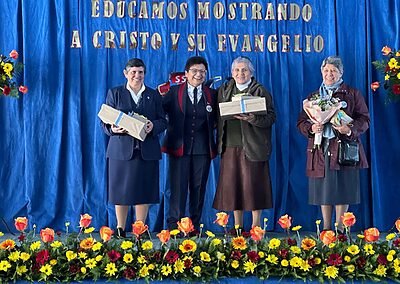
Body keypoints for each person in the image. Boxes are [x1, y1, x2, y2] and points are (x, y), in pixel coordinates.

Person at [297, 56, 370, 233]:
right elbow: (301, 123)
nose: (329, 74)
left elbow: (365, 119)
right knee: (324, 189)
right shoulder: (313, 97)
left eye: (333, 71)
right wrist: (312, 127)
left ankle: (341, 230)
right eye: (326, 70)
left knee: (342, 188)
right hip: (320, 146)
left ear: (341, 73)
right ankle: (327, 230)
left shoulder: (352, 93)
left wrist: (349, 129)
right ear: (321, 72)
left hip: (343, 146)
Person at [102, 58, 167, 238]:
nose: (137, 76)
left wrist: (152, 126)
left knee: (143, 190)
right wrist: (112, 129)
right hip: (121, 151)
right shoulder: (115, 93)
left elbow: (163, 121)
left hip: (146, 150)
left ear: (145, 74)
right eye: (133, 72)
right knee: (120, 191)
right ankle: (120, 228)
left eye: (140, 72)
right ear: (126, 73)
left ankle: (140, 229)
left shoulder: (153, 95)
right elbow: (104, 121)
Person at [213, 56, 276, 230]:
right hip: (229, 144)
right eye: (237, 70)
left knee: (255, 186)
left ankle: (256, 226)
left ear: (251, 72)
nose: (240, 73)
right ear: (232, 73)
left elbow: (271, 118)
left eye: (244, 70)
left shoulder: (260, 90)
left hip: (254, 146)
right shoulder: (224, 90)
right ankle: (238, 225)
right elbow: (216, 116)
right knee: (234, 187)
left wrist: (252, 118)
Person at [162, 56, 217, 231]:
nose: (198, 74)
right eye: (194, 71)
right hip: (179, 148)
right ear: (186, 73)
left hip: (202, 148)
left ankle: (192, 226)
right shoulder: (173, 92)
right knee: (177, 189)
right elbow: (159, 113)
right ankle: (174, 226)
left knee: (198, 189)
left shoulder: (212, 95)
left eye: (202, 71)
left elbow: (218, 119)